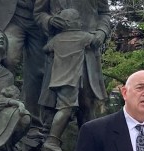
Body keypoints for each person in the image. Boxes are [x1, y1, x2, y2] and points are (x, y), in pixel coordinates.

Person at [34, 0, 111, 129]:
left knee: (87, 103)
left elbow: (104, 13)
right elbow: (39, 13)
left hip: (88, 48)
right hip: (60, 50)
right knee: (52, 104)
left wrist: (102, 32)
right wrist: (50, 20)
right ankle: (49, 144)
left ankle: (88, 144)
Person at [38, 8, 96, 151]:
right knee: (65, 109)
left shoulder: (56, 40)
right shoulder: (83, 36)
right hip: (71, 81)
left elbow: (46, 49)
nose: (80, 21)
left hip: (57, 81)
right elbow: (95, 41)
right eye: (77, 18)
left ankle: (51, 141)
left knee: (63, 109)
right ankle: (51, 142)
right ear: (70, 23)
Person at [0, 0, 47, 138]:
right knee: (7, 59)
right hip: (13, 15)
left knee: (38, 73)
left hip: (41, 19)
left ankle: (33, 125)